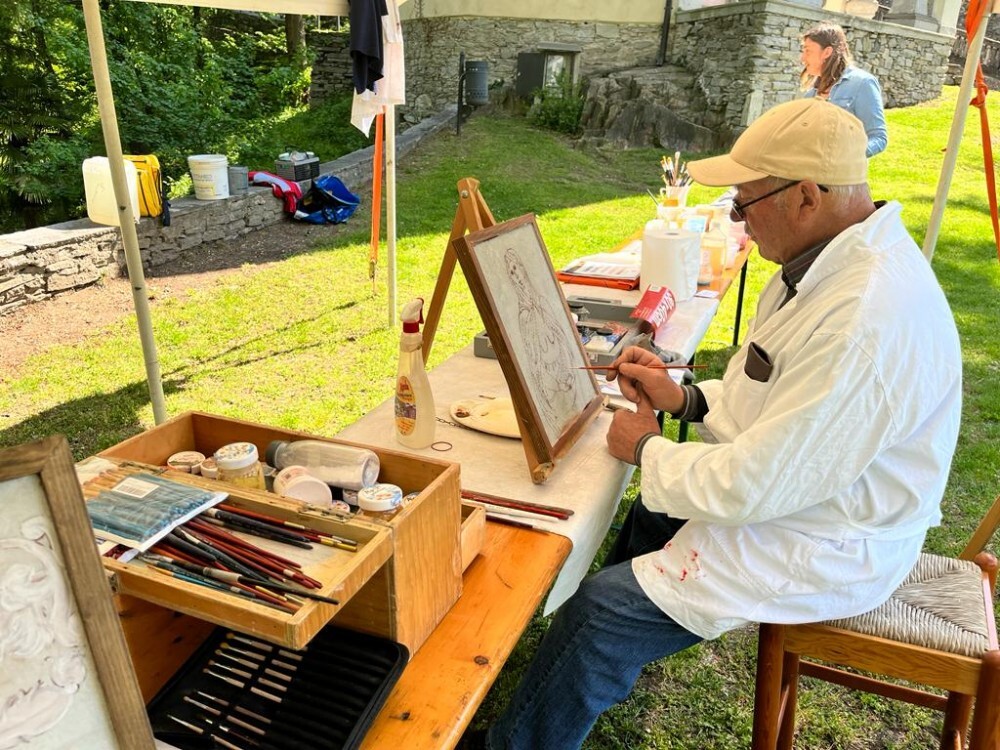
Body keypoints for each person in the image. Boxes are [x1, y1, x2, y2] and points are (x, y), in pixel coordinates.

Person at [469, 98, 961, 750]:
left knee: (600, 615)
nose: (735, 223)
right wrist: (686, 401)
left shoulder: (868, 316)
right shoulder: (820, 262)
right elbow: (775, 395)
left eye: (743, 204)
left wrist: (646, 448)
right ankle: (608, 654)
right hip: (803, 494)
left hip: (831, 539)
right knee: (652, 517)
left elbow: (761, 481)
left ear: (807, 196)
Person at [801, 21, 888, 157]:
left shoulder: (862, 83)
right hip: (809, 173)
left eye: (808, 51)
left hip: (842, 176)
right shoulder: (811, 93)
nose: (803, 58)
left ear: (827, 52)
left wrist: (846, 157)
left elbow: (879, 138)